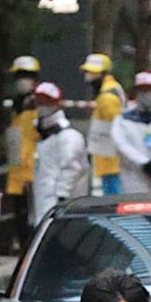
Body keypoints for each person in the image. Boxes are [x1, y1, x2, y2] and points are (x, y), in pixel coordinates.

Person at [30, 82, 88, 225]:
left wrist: (62, 197)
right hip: (43, 203)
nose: (42, 106)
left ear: (57, 104)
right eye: (39, 101)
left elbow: (72, 169)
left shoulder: (69, 136)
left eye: (47, 102)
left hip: (59, 207)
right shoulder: (43, 137)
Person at [1, 57, 41, 253]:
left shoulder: (38, 104)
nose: (21, 81)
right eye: (19, 76)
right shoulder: (18, 104)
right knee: (19, 216)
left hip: (30, 172)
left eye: (26, 76)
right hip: (17, 169)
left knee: (28, 216)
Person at [82, 53, 126, 195]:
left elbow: (116, 126)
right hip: (108, 153)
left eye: (92, 73)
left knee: (113, 196)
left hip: (110, 154)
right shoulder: (111, 88)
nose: (88, 76)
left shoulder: (107, 97)